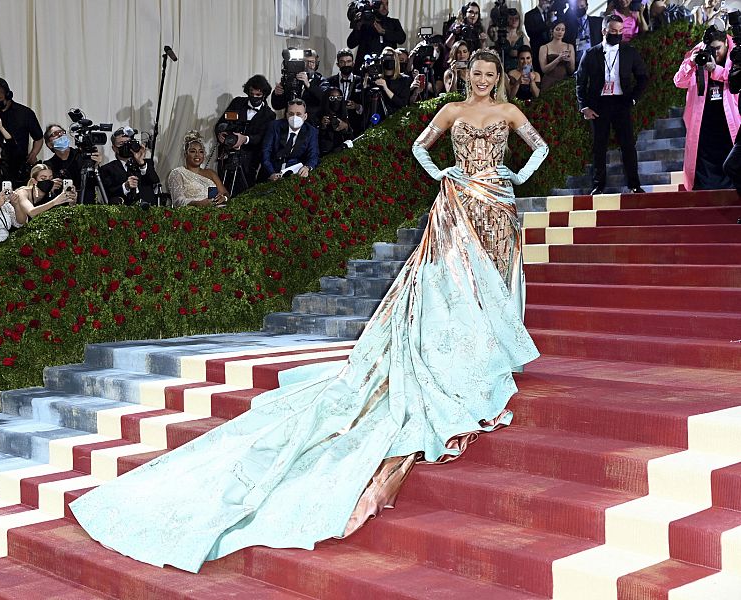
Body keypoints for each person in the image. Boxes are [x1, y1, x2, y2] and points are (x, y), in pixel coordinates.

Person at [69, 48, 546, 575]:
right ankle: (458, 357)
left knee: (491, 282)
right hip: (457, 204)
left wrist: (511, 177)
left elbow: (540, 149)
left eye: (488, 74)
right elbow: (418, 147)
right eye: (474, 73)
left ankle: (489, 351)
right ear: (465, 76)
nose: (481, 80)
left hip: (498, 205)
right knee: (453, 286)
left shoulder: (509, 113)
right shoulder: (451, 113)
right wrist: (448, 174)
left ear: (499, 77)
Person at [576, 14, 649, 194]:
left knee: (628, 144)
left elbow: (643, 77)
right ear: (604, 31)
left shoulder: (629, 52)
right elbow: (580, 81)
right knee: (599, 146)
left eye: (620, 31)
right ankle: (598, 186)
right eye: (613, 31)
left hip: (621, 102)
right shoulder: (591, 53)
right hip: (599, 104)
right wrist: (584, 106)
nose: (617, 34)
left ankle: (634, 184)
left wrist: (633, 98)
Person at [674, 29, 740, 190]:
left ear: (726, 43)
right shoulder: (699, 53)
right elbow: (679, 81)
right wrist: (691, 62)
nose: (715, 53)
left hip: (729, 120)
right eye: (712, 49)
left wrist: (714, 70)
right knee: (702, 162)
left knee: (731, 162)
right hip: (704, 121)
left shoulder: (737, 54)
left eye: (718, 48)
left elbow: (735, 79)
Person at [214, 75, 277, 196]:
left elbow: (261, 138)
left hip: (249, 162)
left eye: (258, 95)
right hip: (227, 156)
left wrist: (245, 139)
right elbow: (222, 122)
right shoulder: (237, 102)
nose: (254, 97)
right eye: (251, 93)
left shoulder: (269, 115)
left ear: (264, 95)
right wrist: (220, 133)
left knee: (244, 193)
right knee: (222, 189)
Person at [43, 124, 103, 205]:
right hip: (62, 208)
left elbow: (97, 183)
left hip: (87, 205)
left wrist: (96, 165)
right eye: (55, 134)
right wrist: (50, 187)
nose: (60, 134)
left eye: (62, 132)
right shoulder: (48, 165)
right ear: (49, 144)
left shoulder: (83, 156)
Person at [167, 132, 229, 208]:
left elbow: (225, 193)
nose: (197, 155)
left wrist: (223, 198)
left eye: (201, 151)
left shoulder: (211, 173)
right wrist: (198, 203)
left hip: (216, 211)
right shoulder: (177, 173)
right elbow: (178, 201)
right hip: (192, 214)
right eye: (193, 151)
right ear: (185, 154)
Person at [262, 99, 319, 180]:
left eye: (298, 114)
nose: (294, 117)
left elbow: (313, 155)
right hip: (271, 172)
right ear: (286, 115)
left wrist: (307, 167)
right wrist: (271, 173)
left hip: (295, 174)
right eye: (291, 114)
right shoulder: (274, 126)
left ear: (305, 116)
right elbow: (266, 151)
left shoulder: (311, 131)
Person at [99, 128, 159, 205]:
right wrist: (125, 187)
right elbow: (108, 192)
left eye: (128, 143)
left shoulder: (146, 163)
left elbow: (154, 180)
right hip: (123, 212)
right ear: (114, 148)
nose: (125, 146)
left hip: (148, 210)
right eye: (121, 144)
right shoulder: (107, 169)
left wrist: (141, 163)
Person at [346, 0, 407, 72]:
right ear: (374, 5)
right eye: (381, 4)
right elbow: (351, 44)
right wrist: (357, 26)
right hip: (366, 68)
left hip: (388, 68)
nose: (385, 7)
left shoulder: (393, 23)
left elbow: (402, 38)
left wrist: (383, 31)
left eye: (386, 4)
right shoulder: (364, 23)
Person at [10, 163, 77, 223]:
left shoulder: (51, 193)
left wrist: (72, 202)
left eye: (50, 178)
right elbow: (31, 212)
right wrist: (56, 201)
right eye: (43, 179)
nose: (48, 181)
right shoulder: (22, 192)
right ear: (34, 181)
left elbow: (64, 217)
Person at [362, 47, 413, 123]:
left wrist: (385, 88)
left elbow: (402, 103)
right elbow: (365, 101)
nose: (388, 60)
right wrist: (366, 77)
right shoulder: (375, 79)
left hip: (395, 120)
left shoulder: (404, 79)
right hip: (377, 119)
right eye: (385, 57)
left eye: (390, 57)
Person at [321, 49, 365, 133]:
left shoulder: (362, 81)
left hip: (356, 127)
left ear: (353, 63)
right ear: (338, 64)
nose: (346, 64)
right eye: (342, 62)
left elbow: (366, 107)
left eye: (348, 61)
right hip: (334, 129)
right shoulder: (329, 82)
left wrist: (356, 106)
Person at [271, 49, 325, 118]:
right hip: (291, 121)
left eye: (312, 62)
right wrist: (277, 94)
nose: (308, 65)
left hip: (312, 123)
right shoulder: (289, 79)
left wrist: (308, 84)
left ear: (316, 64)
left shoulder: (321, 81)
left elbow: (324, 99)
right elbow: (277, 106)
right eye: (305, 62)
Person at [539, 20, 576, 92]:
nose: (560, 32)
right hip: (549, 82)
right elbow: (544, 70)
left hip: (565, 82)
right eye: (557, 29)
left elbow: (571, 70)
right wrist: (558, 59)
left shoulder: (569, 46)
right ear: (552, 30)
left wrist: (569, 61)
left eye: (563, 30)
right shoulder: (544, 47)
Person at [317, 87, 355, 155]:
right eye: (332, 98)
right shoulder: (318, 115)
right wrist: (322, 126)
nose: (336, 101)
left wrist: (346, 127)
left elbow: (351, 139)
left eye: (339, 98)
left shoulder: (344, 115)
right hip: (325, 154)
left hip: (342, 153)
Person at [489, 8, 527, 72]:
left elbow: (528, 54)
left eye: (516, 18)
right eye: (511, 18)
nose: (514, 20)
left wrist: (518, 53)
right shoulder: (500, 34)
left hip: (519, 70)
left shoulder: (522, 36)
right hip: (501, 68)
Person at [572, 0, 604, 67]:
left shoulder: (598, 21)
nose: (579, 8)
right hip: (577, 61)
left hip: (595, 60)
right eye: (577, 7)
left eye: (582, 6)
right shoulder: (569, 25)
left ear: (586, 7)